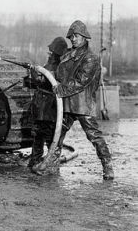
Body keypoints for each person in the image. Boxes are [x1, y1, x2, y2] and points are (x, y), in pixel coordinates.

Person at [52, 20, 114, 180]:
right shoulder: (67, 55)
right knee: (57, 134)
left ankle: (107, 165)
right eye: (71, 36)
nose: (73, 39)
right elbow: (60, 76)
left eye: (76, 36)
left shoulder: (90, 58)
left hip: (82, 104)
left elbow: (81, 81)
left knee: (94, 136)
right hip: (67, 102)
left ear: (84, 37)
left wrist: (61, 89)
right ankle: (52, 163)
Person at [24, 37, 68, 172]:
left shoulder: (59, 68)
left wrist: (33, 72)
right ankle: (35, 161)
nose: (48, 54)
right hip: (41, 106)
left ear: (56, 53)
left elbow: (43, 81)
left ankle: (51, 164)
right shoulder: (50, 66)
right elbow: (38, 81)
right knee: (38, 134)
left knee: (50, 136)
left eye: (51, 52)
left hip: (50, 107)